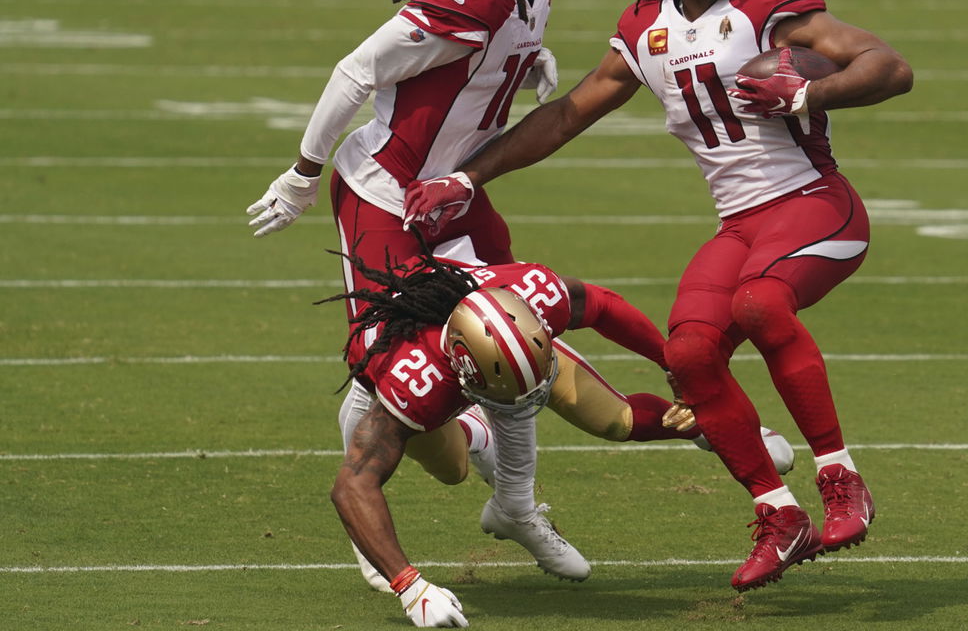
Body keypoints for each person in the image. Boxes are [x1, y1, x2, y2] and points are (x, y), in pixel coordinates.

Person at [403, 0, 914, 593]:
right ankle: (778, 513)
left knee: (761, 306)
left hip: (812, 202)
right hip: (740, 223)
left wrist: (811, 91)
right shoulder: (647, 27)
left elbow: (889, 66)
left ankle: (840, 478)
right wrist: (468, 177)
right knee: (690, 352)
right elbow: (567, 114)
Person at [243, 0, 626, 584]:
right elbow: (355, 71)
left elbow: (484, 58)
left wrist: (526, 60)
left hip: (454, 191)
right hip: (389, 194)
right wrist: (300, 173)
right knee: (382, 369)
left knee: (516, 338)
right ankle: (372, 520)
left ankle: (516, 504)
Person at [327, 238, 794, 627]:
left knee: (614, 418)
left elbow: (603, 305)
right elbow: (352, 486)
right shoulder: (414, 383)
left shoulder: (532, 296)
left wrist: (673, 366)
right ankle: (474, 434)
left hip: (495, 348)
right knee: (452, 469)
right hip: (412, 377)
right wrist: (411, 587)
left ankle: (707, 428)